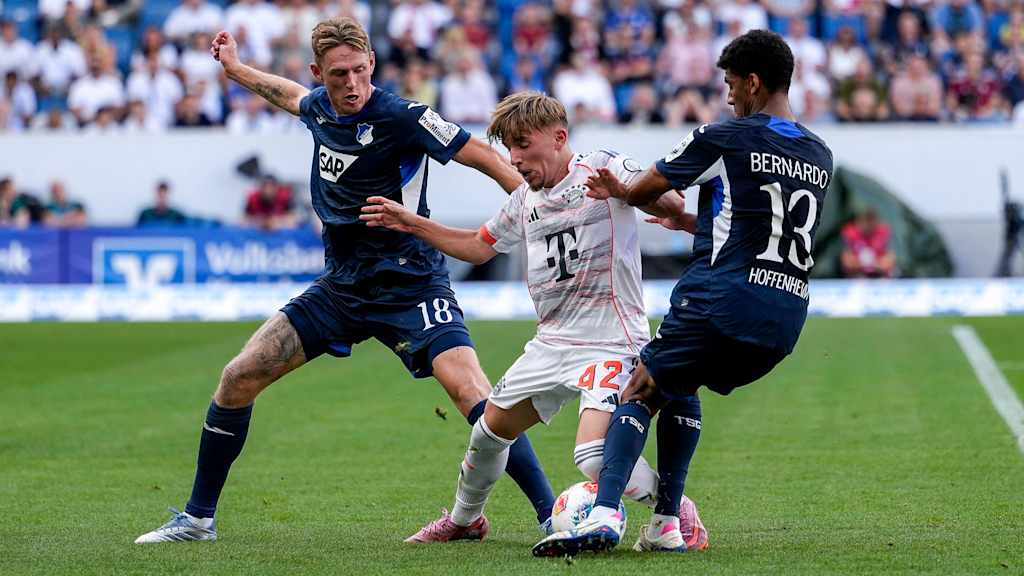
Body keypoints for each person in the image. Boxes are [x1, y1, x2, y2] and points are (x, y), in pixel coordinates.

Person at [134, 17, 554, 544]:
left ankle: (550, 515)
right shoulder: (319, 107)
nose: (351, 84)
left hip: (412, 284)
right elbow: (289, 95)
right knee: (237, 377)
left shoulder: (405, 116)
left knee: (476, 396)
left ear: (372, 63)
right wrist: (237, 69)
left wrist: (542, 206)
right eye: (338, 76)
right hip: (341, 288)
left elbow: (485, 156)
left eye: (359, 70)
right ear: (320, 74)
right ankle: (197, 520)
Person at [533, 29, 834, 556]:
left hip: (721, 300)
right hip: (784, 319)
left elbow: (649, 187)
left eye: (732, 84)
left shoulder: (725, 136)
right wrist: (697, 221)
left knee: (641, 386)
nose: (729, 96)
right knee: (681, 382)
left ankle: (604, 513)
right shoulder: (820, 154)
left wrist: (621, 191)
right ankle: (667, 524)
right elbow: (760, 224)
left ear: (755, 83)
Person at [361, 91, 707, 548]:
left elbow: (670, 204)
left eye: (522, 144)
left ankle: (675, 506)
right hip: (549, 345)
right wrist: (413, 223)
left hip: (609, 341)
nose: (515, 158)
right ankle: (465, 521)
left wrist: (624, 192)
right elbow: (478, 246)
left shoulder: (602, 167)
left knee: (591, 455)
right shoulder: (525, 198)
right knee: (487, 431)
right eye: (508, 146)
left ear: (559, 136)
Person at [840, 208, 896, 278]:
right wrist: (873, 263)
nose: (867, 224)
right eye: (864, 220)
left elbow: (889, 262)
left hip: (880, 276)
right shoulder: (850, 233)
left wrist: (866, 264)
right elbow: (847, 262)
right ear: (858, 221)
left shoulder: (883, 232)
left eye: (870, 220)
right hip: (856, 277)